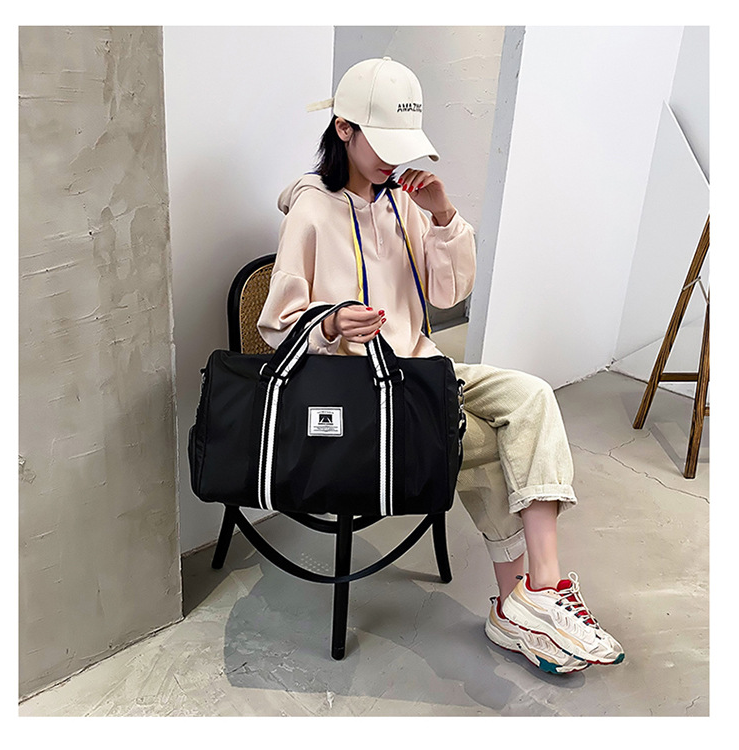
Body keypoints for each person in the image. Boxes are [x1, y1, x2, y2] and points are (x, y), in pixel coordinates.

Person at [258, 57, 624, 675]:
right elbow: (277, 323)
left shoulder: (404, 204)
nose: (395, 160)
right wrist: (331, 322)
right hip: (361, 391)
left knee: (531, 397)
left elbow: (448, 293)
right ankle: (520, 607)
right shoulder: (310, 212)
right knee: (485, 442)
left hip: (423, 373)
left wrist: (443, 216)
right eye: (383, 142)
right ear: (344, 129)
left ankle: (539, 590)